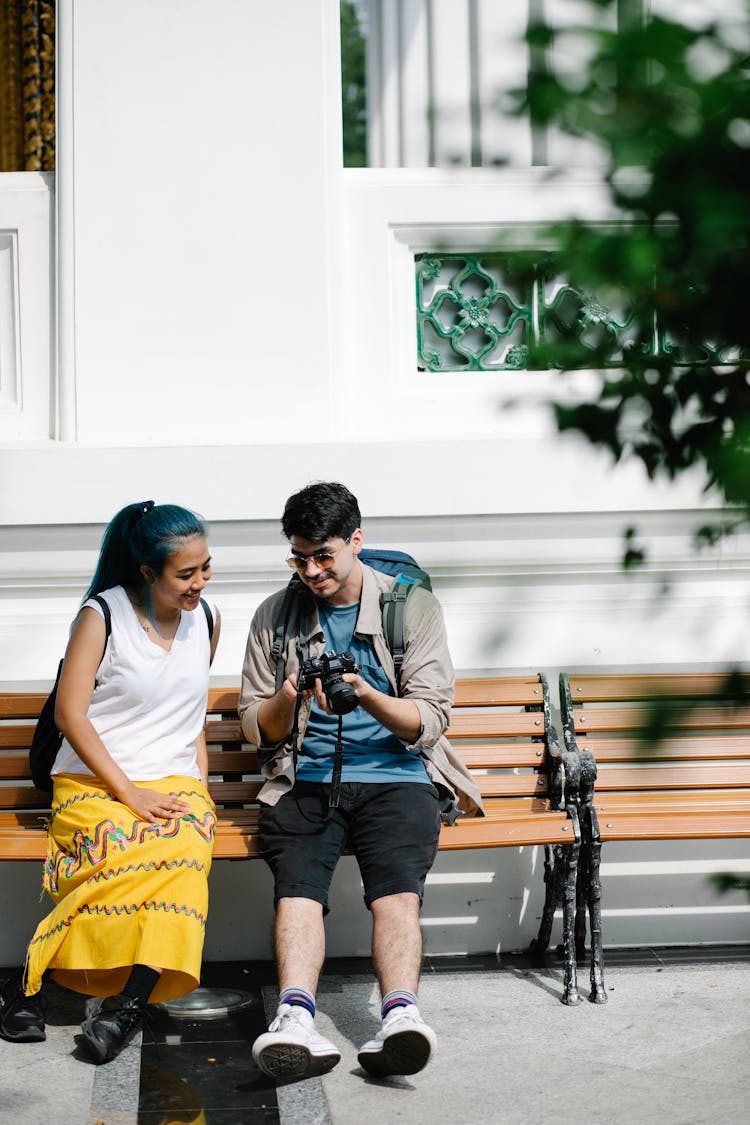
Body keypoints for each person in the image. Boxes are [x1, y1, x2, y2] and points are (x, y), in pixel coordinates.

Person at [238, 481, 482, 1082]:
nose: (312, 570)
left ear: (356, 541)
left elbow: (429, 720)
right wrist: (290, 694)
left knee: (395, 891)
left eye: (324, 555)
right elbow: (254, 730)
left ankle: (400, 1017)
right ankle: (295, 1019)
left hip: (399, 776)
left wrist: (368, 694)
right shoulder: (276, 614)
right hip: (305, 778)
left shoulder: (411, 608)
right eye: (299, 557)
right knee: (298, 889)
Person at [0, 501, 221, 1064]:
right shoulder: (102, 616)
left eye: (205, 567)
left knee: (183, 850)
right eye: (186, 573)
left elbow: (189, 714)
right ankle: (29, 980)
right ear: (147, 571)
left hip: (173, 780)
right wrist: (128, 793)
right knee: (121, 854)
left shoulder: (208, 619)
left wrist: (204, 793)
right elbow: (72, 715)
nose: (200, 582)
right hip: (94, 783)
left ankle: (126, 1010)